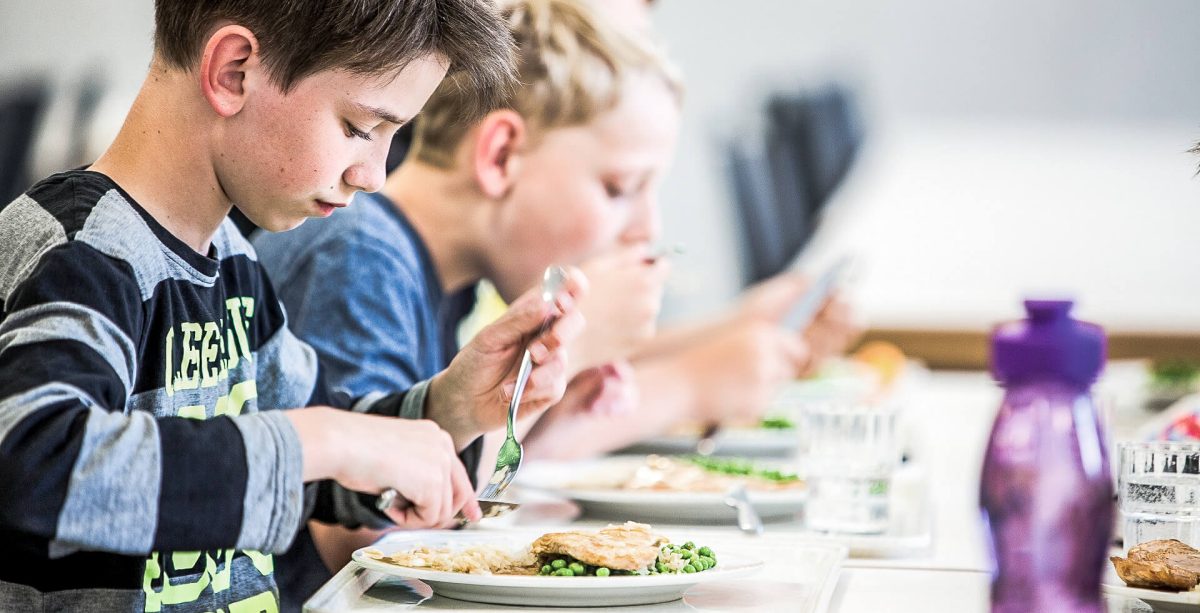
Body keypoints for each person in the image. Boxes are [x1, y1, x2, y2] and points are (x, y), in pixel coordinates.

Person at [0, 0, 589, 611]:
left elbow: (321, 463)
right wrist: (323, 439)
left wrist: (451, 408)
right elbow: (33, 463)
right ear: (234, 72)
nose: (374, 174)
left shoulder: (231, 262)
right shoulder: (83, 252)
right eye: (361, 128)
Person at [252, 0, 855, 595]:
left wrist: (557, 401)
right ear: (501, 155)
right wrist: (659, 376)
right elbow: (356, 540)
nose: (646, 228)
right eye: (620, 187)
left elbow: (463, 477)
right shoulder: (357, 254)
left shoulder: (442, 275)